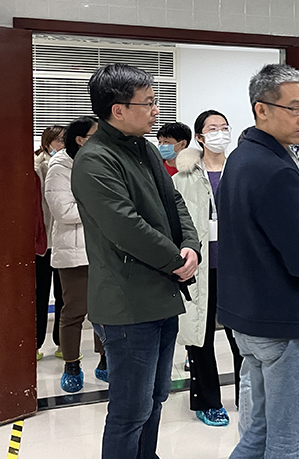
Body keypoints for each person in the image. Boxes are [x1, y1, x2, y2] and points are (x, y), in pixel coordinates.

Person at [71, 63, 200, 459]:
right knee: (130, 410)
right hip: (127, 304)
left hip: (161, 294)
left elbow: (174, 201)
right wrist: (175, 259)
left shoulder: (144, 149)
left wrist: (190, 244)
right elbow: (125, 227)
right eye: (148, 103)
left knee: (156, 398)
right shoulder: (95, 160)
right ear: (118, 110)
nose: (156, 111)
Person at [218, 64, 299, 459]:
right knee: (287, 441)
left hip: (249, 315)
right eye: (296, 108)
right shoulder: (277, 170)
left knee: (257, 434)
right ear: (262, 109)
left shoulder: (241, 157)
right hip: (283, 321)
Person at [172, 109, 237, 427]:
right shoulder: (183, 178)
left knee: (244, 336)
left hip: (237, 267)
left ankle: (250, 397)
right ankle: (207, 401)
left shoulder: (240, 171)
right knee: (201, 335)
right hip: (200, 266)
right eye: (212, 128)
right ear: (199, 136)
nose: (219, 133)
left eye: (224, 127)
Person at [45, 116, 107, 393]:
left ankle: (106, 360)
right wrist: (101, 206)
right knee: (74, 311)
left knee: (105, 309)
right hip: (74, 252)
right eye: (95, 135)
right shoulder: (59, 167)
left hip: (104, 249)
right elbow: (64, 211)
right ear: (80, 140)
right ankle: (71, 364)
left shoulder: (101, 161)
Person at [34, 125, 66, 361]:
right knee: (39, 295)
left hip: (63, 241)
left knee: (65, 296)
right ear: (47, 143)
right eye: (58, 140)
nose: (62, 145)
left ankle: (62, 343)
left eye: (65, 140)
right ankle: (34, 343)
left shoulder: (70, 165)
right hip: (42, 243)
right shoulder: (37, 167)